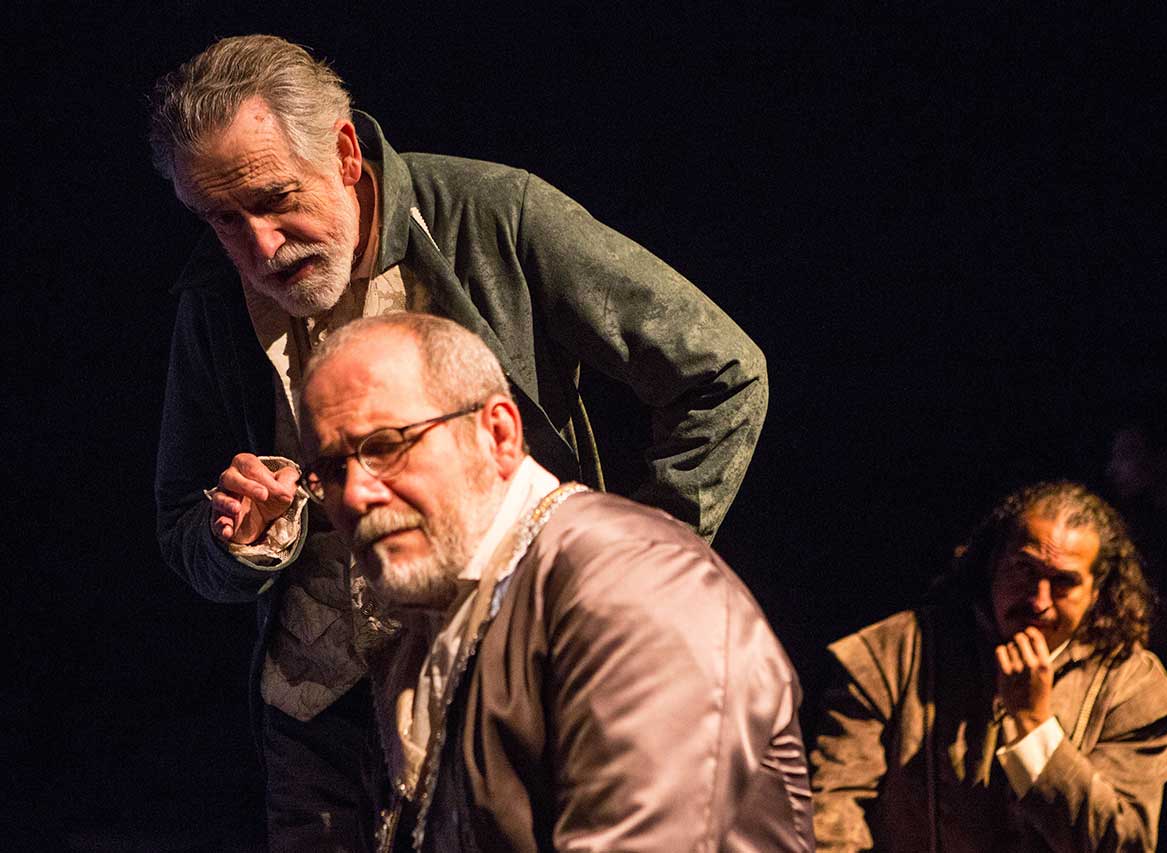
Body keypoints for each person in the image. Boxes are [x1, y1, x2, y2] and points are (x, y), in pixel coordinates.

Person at [148, 35, 767, 851]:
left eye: (275, 199)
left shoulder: (495, 215)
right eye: (223, 219)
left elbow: (722, 373)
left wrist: (622, 577)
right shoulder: (212, 297)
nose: (260, 246)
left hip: (508, 684)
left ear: (342, 152)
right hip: (316, 718)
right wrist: (246, 543)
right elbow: (182, 527)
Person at [294, 312, 813, 852]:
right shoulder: (429, 623)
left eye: (384, 446)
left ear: (497, 434)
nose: (354, 495)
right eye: (331, 471)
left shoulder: (630, 583)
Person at [809, 482, 1167, 852]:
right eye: (1025, 570)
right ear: (992, 565)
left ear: (1096, 592)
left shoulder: (1135, 688)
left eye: (1063, 582)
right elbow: (833, 810)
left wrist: (1033, 725)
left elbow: (1123, 844)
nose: (1039, 601)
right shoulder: (895, 653)